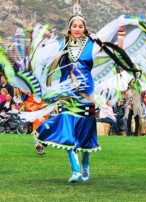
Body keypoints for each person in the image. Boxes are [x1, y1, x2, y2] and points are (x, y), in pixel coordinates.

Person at [35, 14, 101, 183]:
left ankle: (85, 165)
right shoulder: (61, 45)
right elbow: (48, 64)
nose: (77, 29)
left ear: (84, 28)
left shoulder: (92, 45)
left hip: (86, 93)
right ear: (70, 28)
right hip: (67, 94)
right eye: (74, 26)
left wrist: (120, 35)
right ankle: (76, 170)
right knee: (67, 131)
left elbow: (112, 55)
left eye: (80, 26)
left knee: (86, 133)